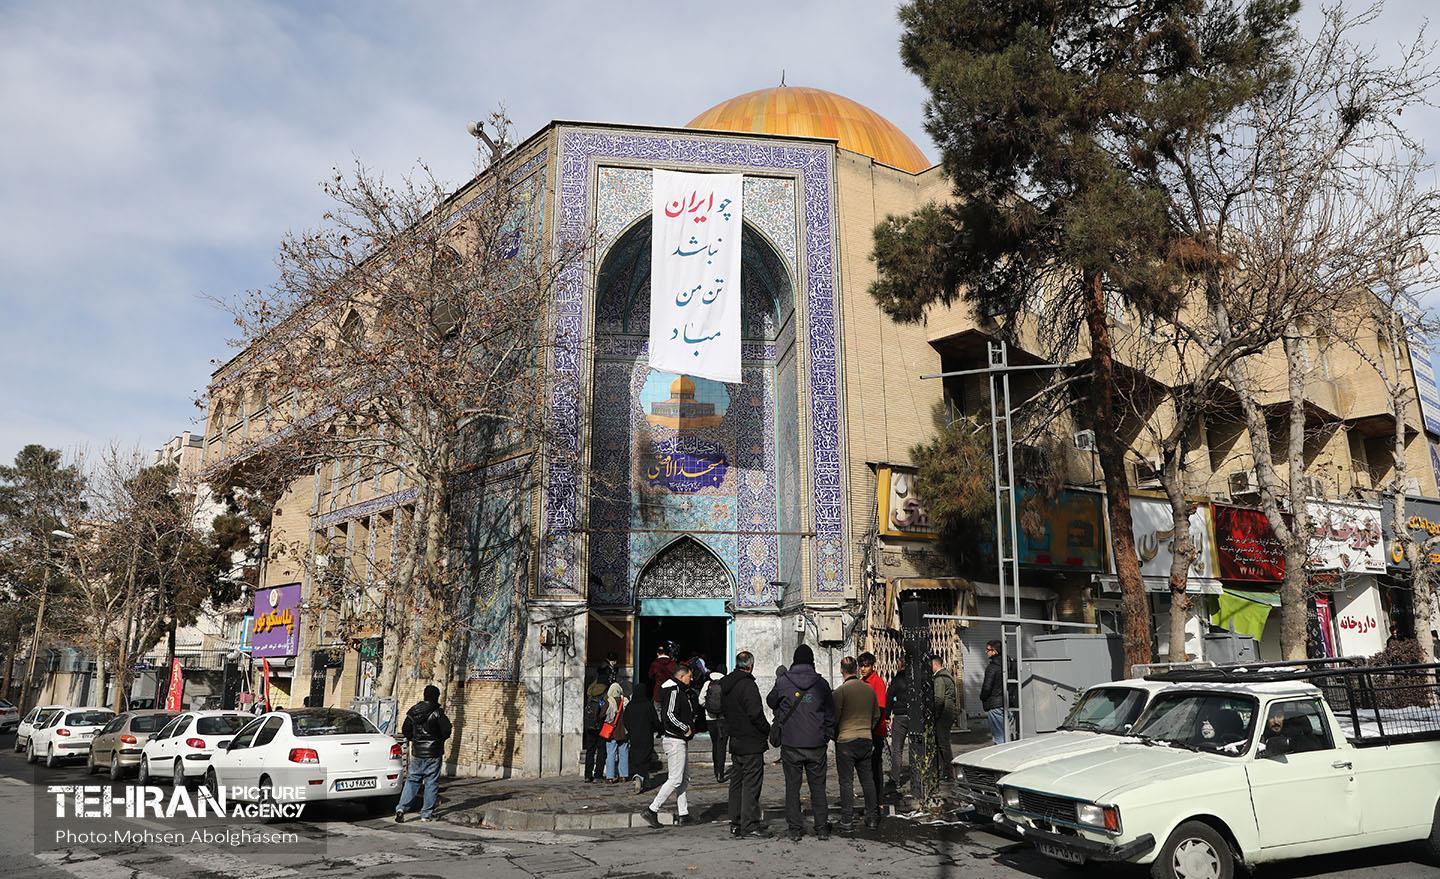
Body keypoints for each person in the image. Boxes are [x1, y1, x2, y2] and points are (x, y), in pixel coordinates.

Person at [767, 644, 836, 842]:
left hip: (791, 744)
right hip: (816, 744)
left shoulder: (783, 682)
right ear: (812, 661)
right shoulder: (821, 683)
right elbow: (831, 714)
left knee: (792, 787)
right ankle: (821, 828)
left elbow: (771, 701)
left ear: (794, 661)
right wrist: (826, 735)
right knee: (818, 788)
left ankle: (795, 829)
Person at [720, 651, 771, 839]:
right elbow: (755, 713)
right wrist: (767, 729)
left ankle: (736, 821)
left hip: (736, 739)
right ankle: (749, 824)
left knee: (737, 782)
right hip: (750, 741)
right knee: (751, 784)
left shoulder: (727, 685)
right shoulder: (747, 685)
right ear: (750, 666)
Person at [643, 661, 697, 828]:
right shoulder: (673, 690)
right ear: (681, 676)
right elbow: (669, 715)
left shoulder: (679, 690)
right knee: (675, 779)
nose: (691, 679)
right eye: (689, 676)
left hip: (679, 739)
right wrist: (685, 728)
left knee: (684, 778)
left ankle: (683, 813)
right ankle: (652, 809)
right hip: (675, 739)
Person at [832, 656, 882, 835]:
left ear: (841, 670)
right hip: (865, 738)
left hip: (846, 740)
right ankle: (872, 817)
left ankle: (847, 820)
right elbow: (876, 715)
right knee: (867, 779)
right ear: (856, 669)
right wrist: (867, 728)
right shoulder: (869, 690)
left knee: (846, 782)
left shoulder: (840, 692)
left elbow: (834, 718)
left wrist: (836, 734)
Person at [395, 684, 452, 823]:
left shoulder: (413, 711)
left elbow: (406, 729)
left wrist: (414, 740)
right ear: (436, 697)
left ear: (424, 696)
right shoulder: (438, 713)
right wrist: (438, 740)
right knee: (431, 782)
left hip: (417, 752)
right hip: (433, 753)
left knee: (412, 780)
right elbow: (446, 730)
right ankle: (426, 814)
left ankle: (401, 808)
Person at [857, 652, 887, 800]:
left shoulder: (877, 682)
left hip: (875, 730)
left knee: (875, 764)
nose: (863, 669)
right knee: (866, 765)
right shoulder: (861, 682)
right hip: (864, 729)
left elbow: (880, 708)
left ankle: (878, 796)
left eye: (866, 666)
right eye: (861, 666)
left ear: (872, 666)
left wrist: (872, 728)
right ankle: (871, 794)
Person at [623, 688, 660, 792]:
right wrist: (660, 729)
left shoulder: (630, 706)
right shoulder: (648, 705)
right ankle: (640, 776)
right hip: (646, 736)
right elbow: (655, 720)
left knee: (636, 756)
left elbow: (625, 720)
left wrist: (631, 729)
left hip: (634, 736)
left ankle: (643, 779)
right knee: (646, 757)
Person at [931, 654, 958, 784]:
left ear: (935, 664)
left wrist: (934, 714)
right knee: (943, 742)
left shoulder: (940, 678)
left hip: (943, 714)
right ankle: (946, 772)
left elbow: (939, 699)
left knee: (943, 743)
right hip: (949, 712)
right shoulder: (947, 675)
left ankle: (948, 772)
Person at [699, 663, 728, 782]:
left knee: (714, 744)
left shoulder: (708, 683)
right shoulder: (726, 683)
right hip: (723, 718)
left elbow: (700, 700)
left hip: (710, 718)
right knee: (722, 745)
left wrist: (708, 707)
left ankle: (716, 771)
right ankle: (721, 773)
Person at [602, 668, 630, 783]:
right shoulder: (626, 701)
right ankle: (623, 775)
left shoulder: (609, 702)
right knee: (624, 753)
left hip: (611, 732)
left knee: (611, 754)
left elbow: (602, 714)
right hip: (623, 731)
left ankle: (610, 776)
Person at [886, 665, 911, 793]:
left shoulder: (897, 679)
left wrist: (887, 715)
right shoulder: (915, 677)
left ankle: (895, 780)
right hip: (915, 716)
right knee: (916, 747)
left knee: (897, 749)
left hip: (900, 716)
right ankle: (919, 778)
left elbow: (889, 697)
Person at [583, 668, 610, 782]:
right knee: (601, 750)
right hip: (600, 724)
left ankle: (587, 775)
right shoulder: (605, 692)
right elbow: (605, 708)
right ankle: (598, 775)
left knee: (590, 750)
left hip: (589, 724)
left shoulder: (590, 691)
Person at [979, 640, 1005, 745]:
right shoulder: (1009, 664)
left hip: (995, 705)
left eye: (988, 649)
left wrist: (982, 697)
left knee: (999, 736)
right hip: (1010, 703)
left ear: (995, 651)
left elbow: (987, 688)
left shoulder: (992, 668)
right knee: (1009, 734)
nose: (986, 652)